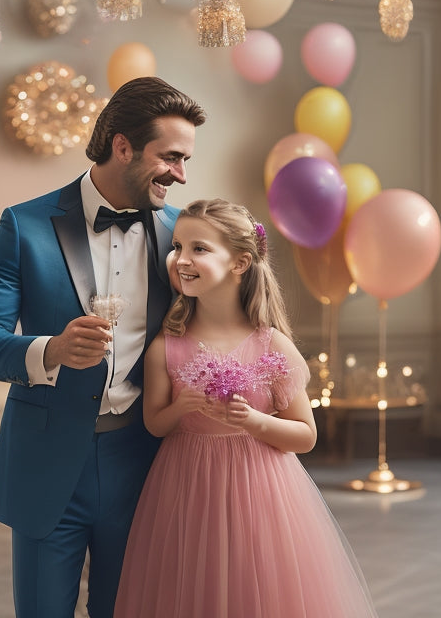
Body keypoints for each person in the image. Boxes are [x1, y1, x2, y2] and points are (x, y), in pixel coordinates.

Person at [0, 76, 207, 618]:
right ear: (123, 146)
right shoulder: (23, 226)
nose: (182, 175)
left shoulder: (178, 238)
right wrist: (50, 350)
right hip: (48, 468)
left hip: (144, 464)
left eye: (186, 160)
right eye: (171, 157)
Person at [113, 198, 378, 618]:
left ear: (239, 263)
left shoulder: (272, 345)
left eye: (199, 248)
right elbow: (155, 425)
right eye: (177, 246)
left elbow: (305, 435)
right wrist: (181, 406)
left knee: (255, 587)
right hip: (186, 488)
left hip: (261, 491)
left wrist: (255, 421)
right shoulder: (166, 347)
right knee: (193, 586)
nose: (181, 259)